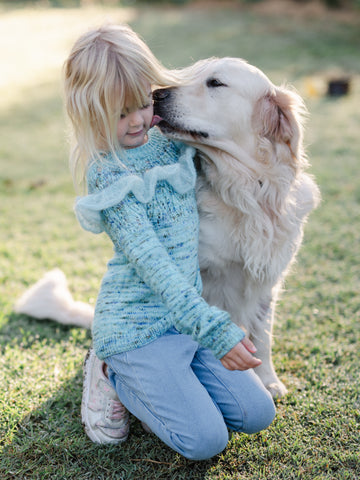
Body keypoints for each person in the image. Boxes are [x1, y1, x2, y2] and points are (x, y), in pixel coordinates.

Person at [63, 24, 275, 461]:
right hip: (137, 330)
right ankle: (108, 371)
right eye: (121, 114)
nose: (140, 120)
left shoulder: (169, 140)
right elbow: (159, 272)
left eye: (144, 102)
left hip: (183, 324)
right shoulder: (110, 177)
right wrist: (216, 329)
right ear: (90, 113)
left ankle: (171, 384)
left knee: (257, 414)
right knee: (205, 441)